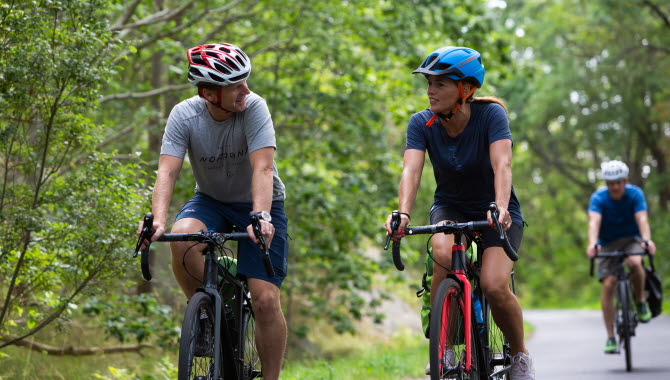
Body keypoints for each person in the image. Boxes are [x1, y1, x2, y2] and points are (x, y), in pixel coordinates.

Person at [138, 43, 288, 380]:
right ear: (208, 93)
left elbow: (263, 169)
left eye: (245, 81)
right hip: (212, 200)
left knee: (264, 299)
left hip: (261, 202)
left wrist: (262, 217)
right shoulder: (184, 115)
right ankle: (207, 315)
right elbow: (168, 171)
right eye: (236, 86)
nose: (246, 91)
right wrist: (158, 220)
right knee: (183, 237)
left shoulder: (255, 108)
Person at [385, 46, 534, 379]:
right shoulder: (421, 123)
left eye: (440, 83)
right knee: (441, 252)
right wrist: (403, 214)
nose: (430, 90)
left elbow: (502, 163)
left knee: (494, 285)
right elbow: (410, 170)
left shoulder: (490, 116)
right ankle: (449, 351)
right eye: (429, 83)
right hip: (450, 206)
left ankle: (520, 355)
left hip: (496, 208)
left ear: (465, 89)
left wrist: (501, 206)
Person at [586, 160, 656, 354]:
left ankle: (640, 301)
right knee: (609, 283)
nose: (615, 186)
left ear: (626, 180)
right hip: (607, 241)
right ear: (606, 183)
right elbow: (594, 222)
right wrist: (592, 243)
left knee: (635, 262)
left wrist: (647, 240)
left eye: (619, 182)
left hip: (631, 238)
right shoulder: (598, 198)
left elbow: (642, 219)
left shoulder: (635, 194)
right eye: (610, 183)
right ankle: (610, 337)